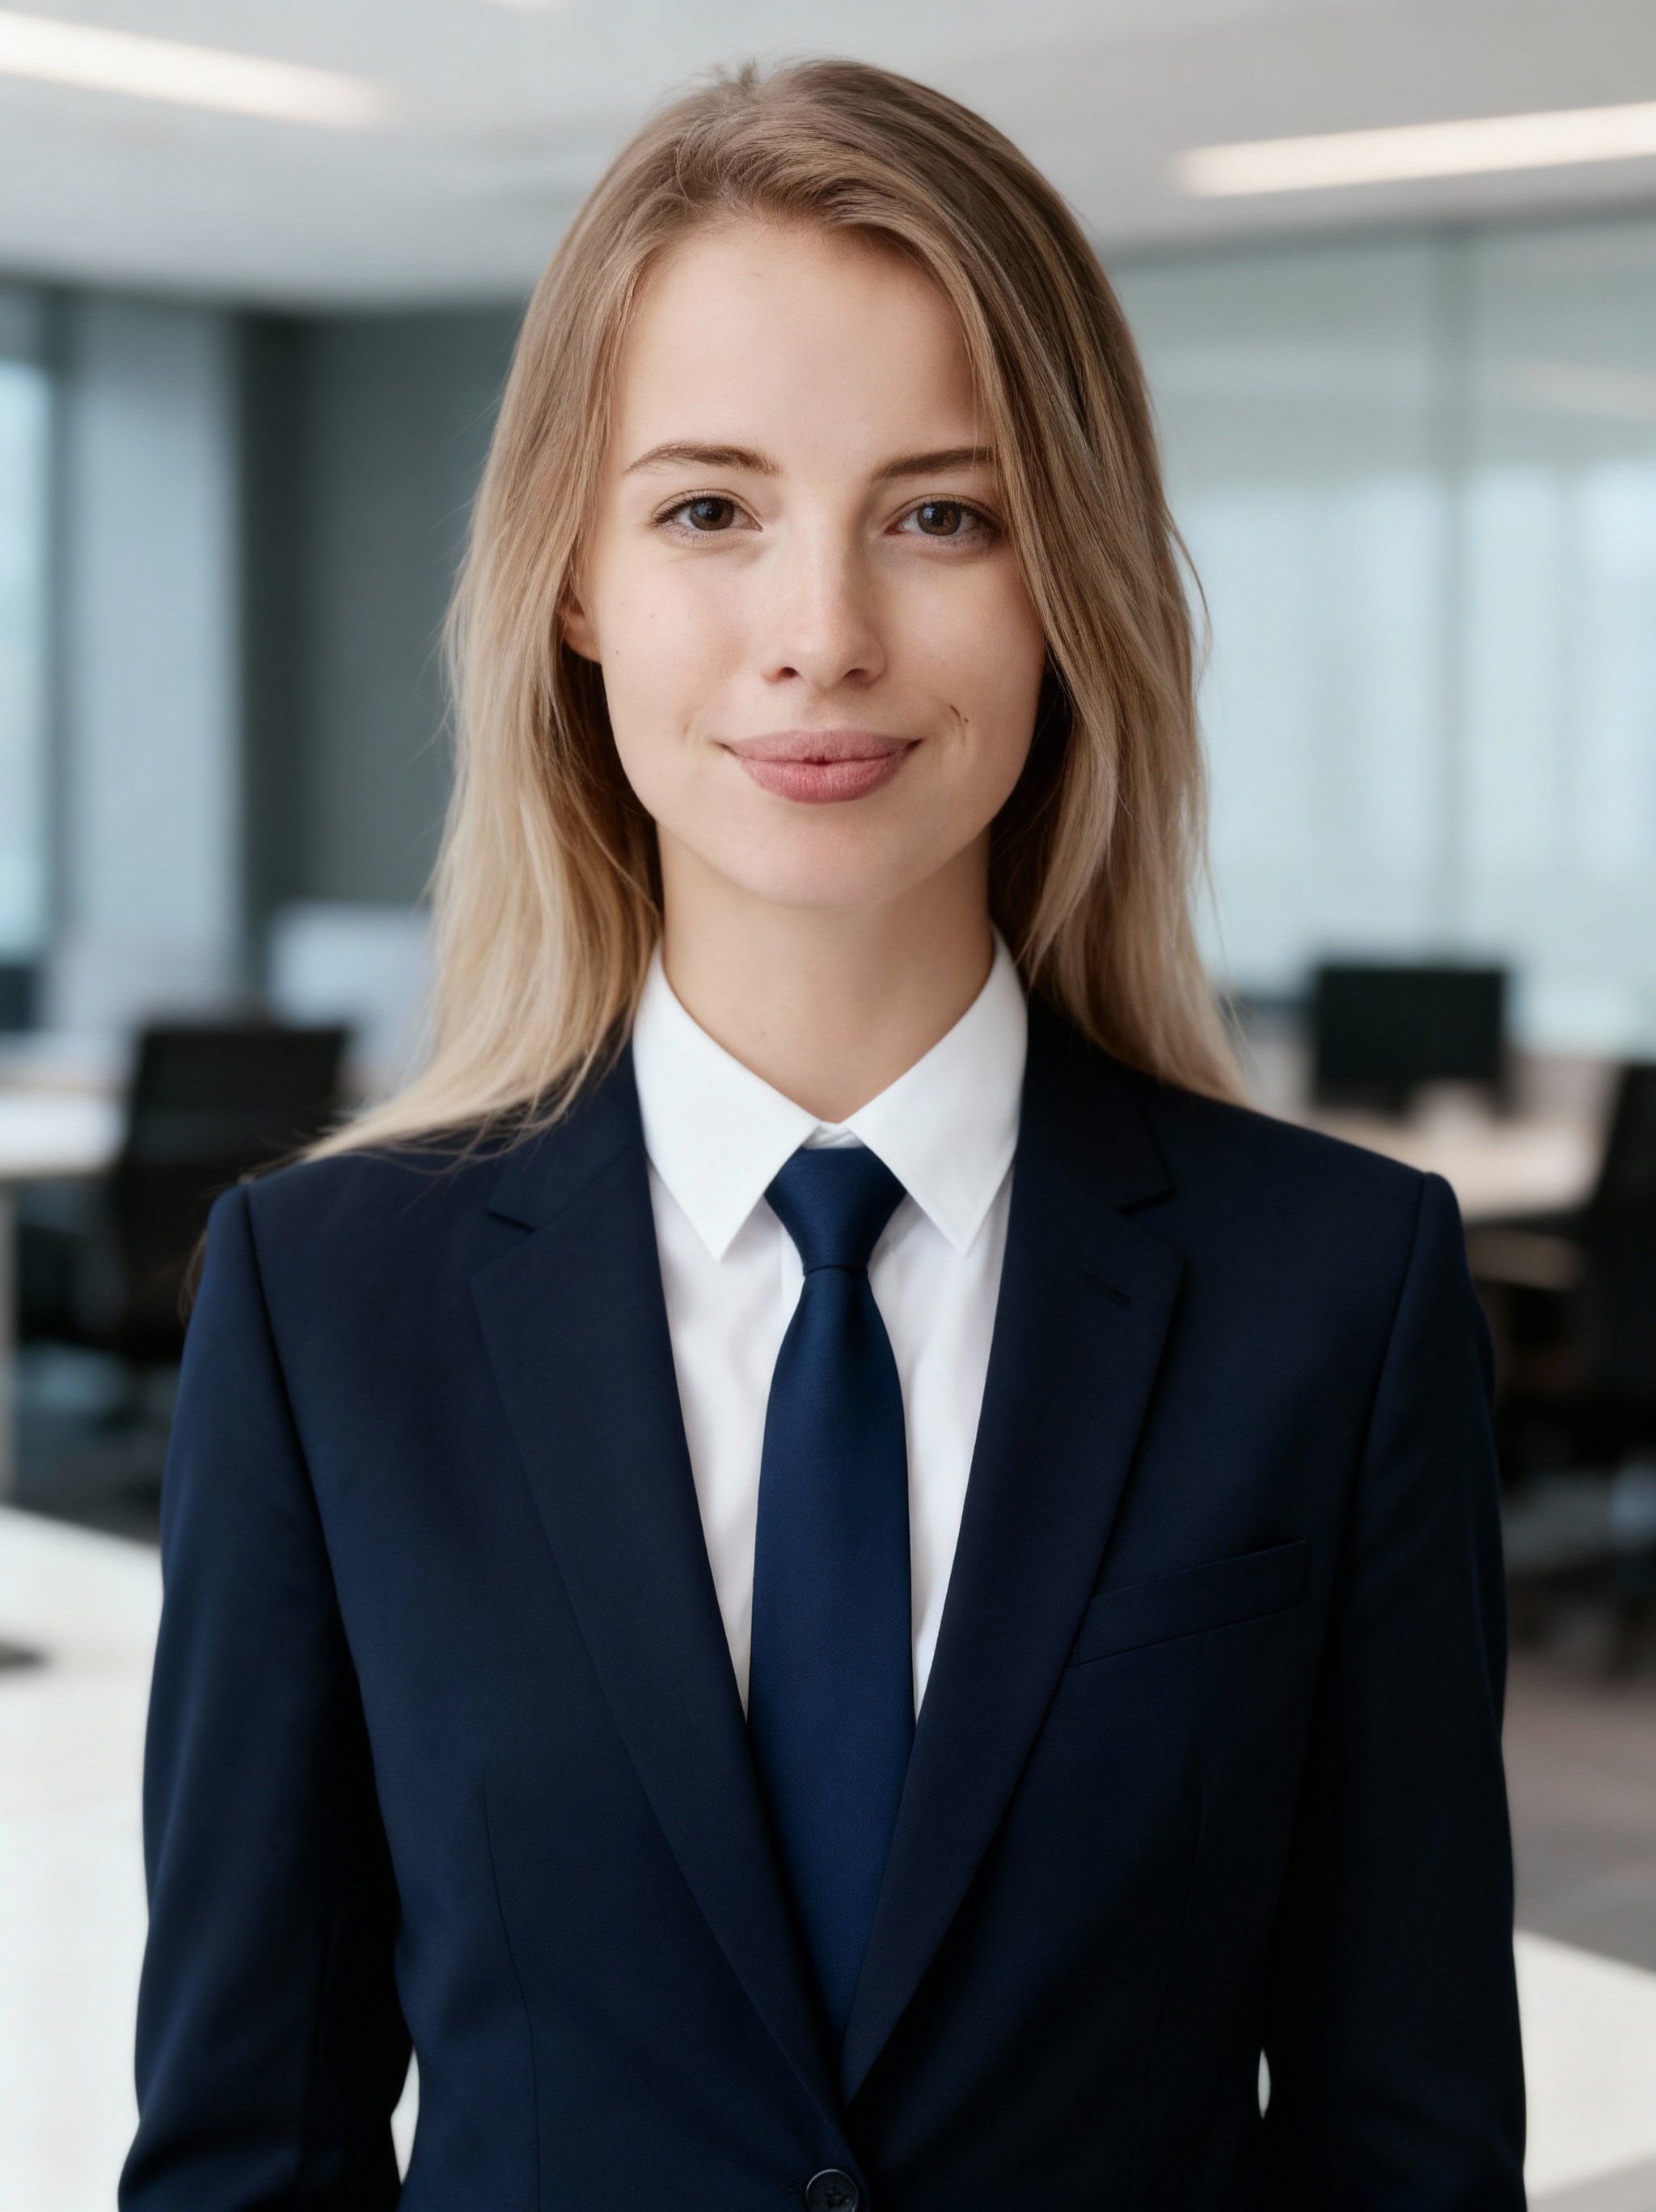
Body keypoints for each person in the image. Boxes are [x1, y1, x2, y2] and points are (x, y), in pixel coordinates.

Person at [121, 59, 1524, 2212]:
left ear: (1064, 580)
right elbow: (250, 2152)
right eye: (710, 508)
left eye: (940, 513)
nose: (824, 636)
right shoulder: (329, 1312)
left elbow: (1403, 2143)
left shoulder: (1338, 1293)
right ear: (571, 584)